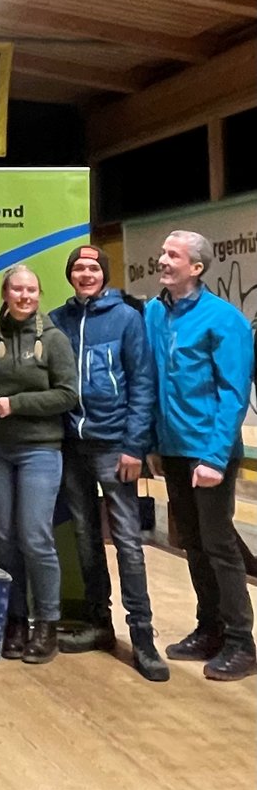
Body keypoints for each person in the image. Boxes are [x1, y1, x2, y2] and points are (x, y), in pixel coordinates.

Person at [50, 245, 168, 682]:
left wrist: (135, 447)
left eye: (93, 268)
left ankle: (143, 637)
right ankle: (99, 622)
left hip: (115, 446)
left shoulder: (127, 319)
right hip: (71, 445)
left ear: (104, 274)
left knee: (128, 543)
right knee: (85, 536)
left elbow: (143, 384)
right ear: (70, 275)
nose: (86, 274)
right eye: (79, 268)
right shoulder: (57, 320)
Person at [144, 230, 255, 681]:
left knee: (218, 544)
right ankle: (209, 628)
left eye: (172, 255)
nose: (162, 260)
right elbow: (152, 381)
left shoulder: (224, 319)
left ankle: (241, 642)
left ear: (196, 267)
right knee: (191, 541)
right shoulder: (154, 312)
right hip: (172, 450)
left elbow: (234, 393)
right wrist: (154, 443)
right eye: (162, 252)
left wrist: (213, 457)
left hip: (209, 452)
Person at [0, 264, 77, 664]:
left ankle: (46, 624)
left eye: (31, 290)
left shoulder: (54, 340)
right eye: (17, 289)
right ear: (5, 294)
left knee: (35, 537)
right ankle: (15, 620)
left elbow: (68, 395)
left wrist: (16, 404)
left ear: (39, 295)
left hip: (40, 450)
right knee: (5, 537)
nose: (24, 296)